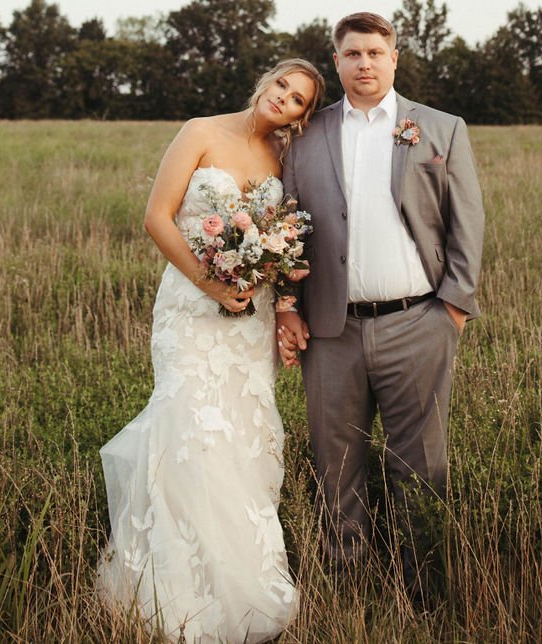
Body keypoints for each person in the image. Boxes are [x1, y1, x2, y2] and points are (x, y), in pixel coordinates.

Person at [98, 57, 325, 644]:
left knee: (244, 434)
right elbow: (157, 218)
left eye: (298, 99)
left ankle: (240, 584)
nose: (284, 99)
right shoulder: (200, 130)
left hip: (249, 320)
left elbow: (286, 239)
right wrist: (211, 283)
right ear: (265, 81)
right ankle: (171, 592)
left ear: (302, 116)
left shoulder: (286, 159)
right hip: (191, 311)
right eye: (282, 85)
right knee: (189, 427)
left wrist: (274, 300)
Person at [277, 12, 484, 588]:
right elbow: (290, 228)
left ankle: (424, 591)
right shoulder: (307, 135)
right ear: (336, 62)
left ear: (394, 59)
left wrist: (453, 309)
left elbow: (467, 224)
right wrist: (287, 304)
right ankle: (349, 588)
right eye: (352, 54)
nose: (364, 63)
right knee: (335, 464)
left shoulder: (440, 129)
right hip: (331, 330)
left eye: (374, 53)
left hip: (418, 322)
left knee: (419, 465)